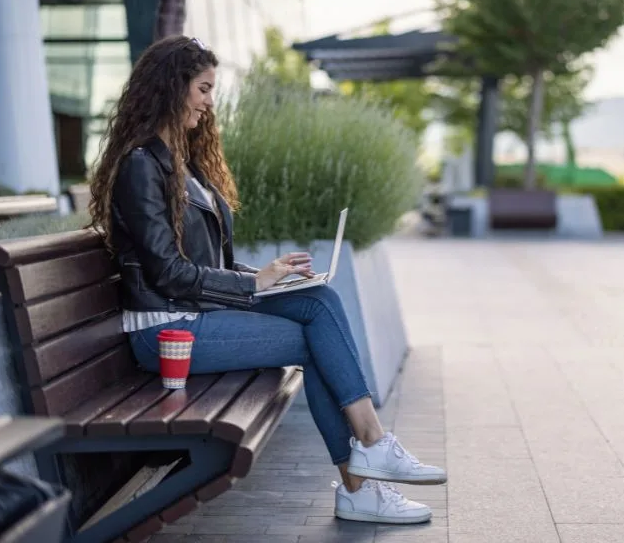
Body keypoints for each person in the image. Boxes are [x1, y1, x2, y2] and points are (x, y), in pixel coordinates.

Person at [87, 35, 446, 525]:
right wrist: (253, 288)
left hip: (196, 314)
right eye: (204, 89)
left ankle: (371, 455)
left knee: (317, 298)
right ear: (172, 88)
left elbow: (211, 262)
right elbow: (166, 274)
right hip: (166, 332)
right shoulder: (140, 167)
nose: (210, 104)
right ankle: (366, 466)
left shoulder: (186, 168)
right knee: (314, 337)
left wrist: (269, 277)